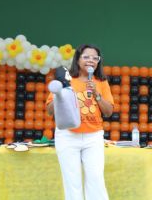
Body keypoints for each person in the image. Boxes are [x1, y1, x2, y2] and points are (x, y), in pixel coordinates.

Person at [46, 44, 114, 200]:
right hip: (68, 136)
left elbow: (109, 111)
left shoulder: (101, 82)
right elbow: (50, 111)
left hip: (93, 136)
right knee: (72, 181)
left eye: (95, 58)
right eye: (86, 57)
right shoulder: (66, 79)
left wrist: (96, 93)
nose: (91, 60)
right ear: (77, 59)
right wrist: (59, 93)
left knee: (96, 178)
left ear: (98, 62)